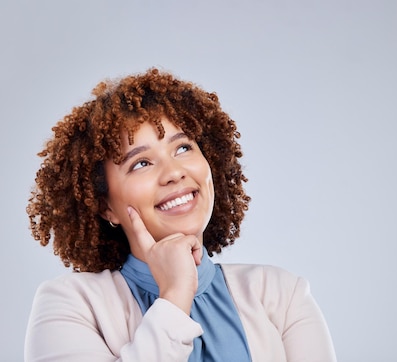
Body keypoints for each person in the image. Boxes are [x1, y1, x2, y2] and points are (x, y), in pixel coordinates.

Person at [24, 68, 336, 362]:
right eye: (141, 163)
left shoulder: (281, 294)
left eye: (183, 148)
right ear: (105, 206)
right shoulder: (70, 305)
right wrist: (174, 296)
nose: (174, 173)